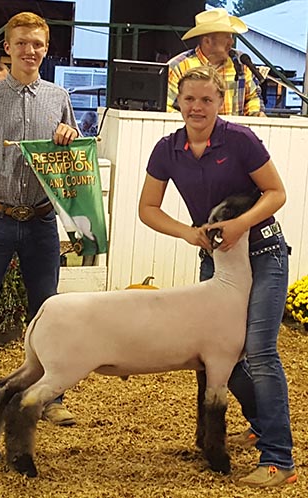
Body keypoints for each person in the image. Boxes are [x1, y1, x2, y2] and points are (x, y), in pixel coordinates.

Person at [139, 66, 297, 488]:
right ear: (179, 102)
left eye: (207, 100)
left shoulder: (240, 139)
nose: (197, 107)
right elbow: (148, 209)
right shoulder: (166, 149)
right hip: (216, 258)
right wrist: (190, 233)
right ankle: (259, 426)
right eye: (189, 99)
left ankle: (279, 459)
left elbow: (276, 193)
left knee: (260, 351)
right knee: (222, 356)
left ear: (220, 103)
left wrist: (241, 224)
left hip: (262, 252)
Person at [0, 12, 79, 429]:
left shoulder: (59, 98)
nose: (30, 50)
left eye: (37, 44)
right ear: (8, 47)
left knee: (47, 313)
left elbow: (72, 162)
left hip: (41, 220)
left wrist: (69, 139)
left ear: (46, 48)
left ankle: (49, 396)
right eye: (22, 43)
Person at [167, 8, 265, 116]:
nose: (231, 41)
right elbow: (167, 108)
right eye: (227, 36)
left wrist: (257, 115)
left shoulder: (241, 64)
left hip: (234, 132)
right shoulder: (180, 67)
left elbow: (253, 98)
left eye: (231, 36)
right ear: (207, 41)